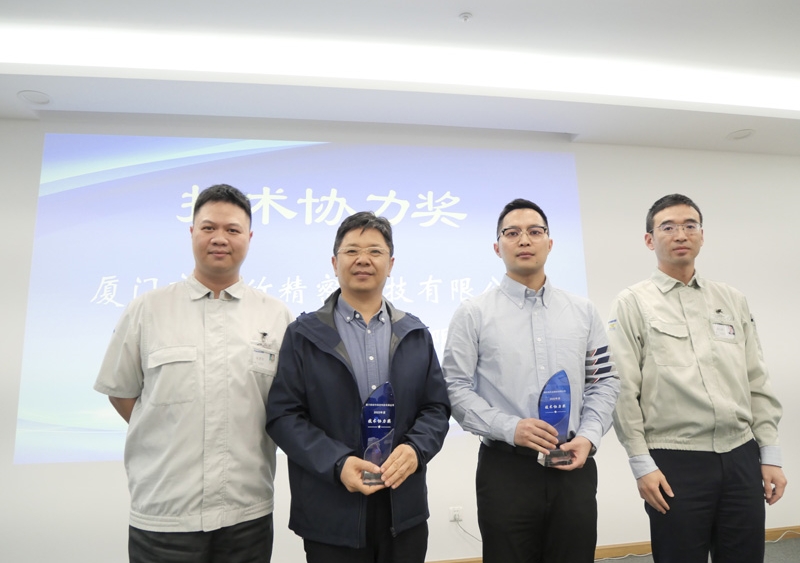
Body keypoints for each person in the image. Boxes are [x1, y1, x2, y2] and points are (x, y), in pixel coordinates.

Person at [94, 184, 292, 563]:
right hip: (165, 512)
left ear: (249, 238)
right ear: (191, 233)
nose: (220, 238)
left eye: (232, 230)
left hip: (246, 512)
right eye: (208, 228)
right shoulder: (148, 310)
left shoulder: (275, 316)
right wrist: (164, 429)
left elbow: (286, 406)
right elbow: (121, 392)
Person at [608, 193, 787, 563]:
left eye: (690, 226)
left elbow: (756, 378)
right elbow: (623, 389)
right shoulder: (632, 302)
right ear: (649, 240)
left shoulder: (732, 299)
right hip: (675, 459)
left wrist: (770, 452)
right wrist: (641, 463)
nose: (680, 234)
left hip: (741, 454)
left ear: (702, 236)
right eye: (668, 227)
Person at [442, 198, 620, 563]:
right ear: (497, 247)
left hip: (573, 464)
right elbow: (455, 389)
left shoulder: (583, 311)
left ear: (549, 243)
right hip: (506, 469)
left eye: (535, 232)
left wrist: (588, 436)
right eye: (512, 233)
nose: (524, 240)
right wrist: (511, 428)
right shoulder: (473, 313)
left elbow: (604, 382)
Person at [266, 211, 450, 563]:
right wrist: (337, 463)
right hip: (331, 512)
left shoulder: (415, 334)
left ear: (390, 264)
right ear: (334, 262)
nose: (363, 259)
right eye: (351, 251)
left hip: (402, 508)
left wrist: (415, 449)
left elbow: (436, 408)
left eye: (375, 251)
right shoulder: (303, 335)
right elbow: (283, 417)